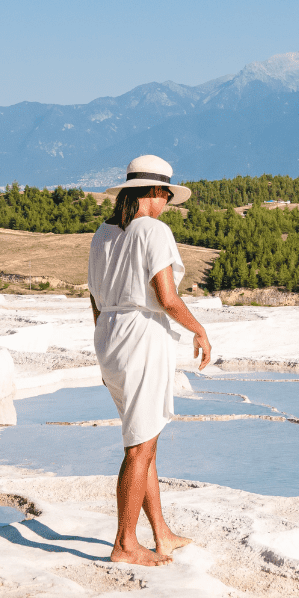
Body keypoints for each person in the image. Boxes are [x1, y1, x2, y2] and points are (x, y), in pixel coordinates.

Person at [88, 155, 214, 566]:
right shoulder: (153, 230)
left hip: (109, 337)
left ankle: (161, 533)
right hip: (141, 339)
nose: (166, 204)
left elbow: (94, 299)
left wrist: (106, 338)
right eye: (166, 196)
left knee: (145, 439)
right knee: (139, 447)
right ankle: (125, 544)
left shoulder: (102, 235)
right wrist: (199, 329)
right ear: (156, 193)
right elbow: (167, 297)